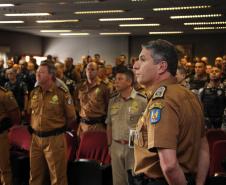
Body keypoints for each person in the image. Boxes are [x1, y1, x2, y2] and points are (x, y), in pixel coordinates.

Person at [132, 39, 209, 185]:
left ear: (161, 67)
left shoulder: (162, 102)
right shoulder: (190, 95)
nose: (135, 66)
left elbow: (169, 166)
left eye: (142, 60)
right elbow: (203, 147)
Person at [27, 61, 76, 185]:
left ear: (51, 75)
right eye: (37, 71)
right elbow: (30, 113)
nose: (38, 74)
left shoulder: (61, 93)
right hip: (36, 139)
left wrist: (58, 129)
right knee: (34, 176)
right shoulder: (34, 92)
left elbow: (71, 117)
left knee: (58, 178)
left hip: (54, 139)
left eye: (41, 72)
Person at [106, 68, 147, 185]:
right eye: (115, 79)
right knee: (118, 182)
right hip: (116, 146)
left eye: (120, 79)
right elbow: (109, 124)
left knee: (134, 181)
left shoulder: (142, 100)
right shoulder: (113, 101)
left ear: (129, 82)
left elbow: (148, 127)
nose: (116, 82)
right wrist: (110, 145)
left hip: (134, 148)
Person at [74, 62, 110, 137]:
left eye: (92, 69)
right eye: (88, 69)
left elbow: (108, 106)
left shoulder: (104, 87)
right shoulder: (80, 87)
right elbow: (76, 103)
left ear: (97, 71)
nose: (89, 71)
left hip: (97, 127)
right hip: (82, 126)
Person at [0, 86, 20, 185]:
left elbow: (15, 115)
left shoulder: (4, 94)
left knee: (4, 167)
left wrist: (7, 127)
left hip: (1, 134)